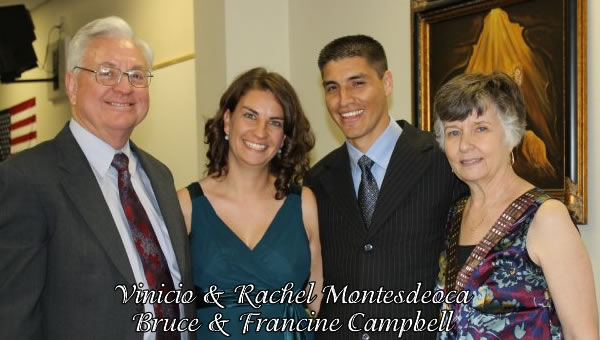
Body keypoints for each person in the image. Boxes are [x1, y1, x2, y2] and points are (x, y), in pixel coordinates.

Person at [0, 17, 195, 339]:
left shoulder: (159, 176)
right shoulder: (26, 180)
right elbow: (12, 318)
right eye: (106, 73)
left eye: (136, 75)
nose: (124, 87)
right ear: (73, 85)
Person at [304, 34, 464, 340]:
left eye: (357, 83)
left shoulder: (443, 161)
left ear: (387, 83)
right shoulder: (317, 180)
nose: (343, 100)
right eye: (332, 88)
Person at [433, 72, 598, 339]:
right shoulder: (454, 213)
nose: (465, 145)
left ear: (511, 134)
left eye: (481, 128)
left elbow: (583, 334)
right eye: (454, 132)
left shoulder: (546, 217)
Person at [177, 67, 322, 339]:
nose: (260, 131)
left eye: (275, 122)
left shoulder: (304, 204)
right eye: (250, 116)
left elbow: (317, 301)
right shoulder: (186, 205)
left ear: (284, 138)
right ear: (228, 121)